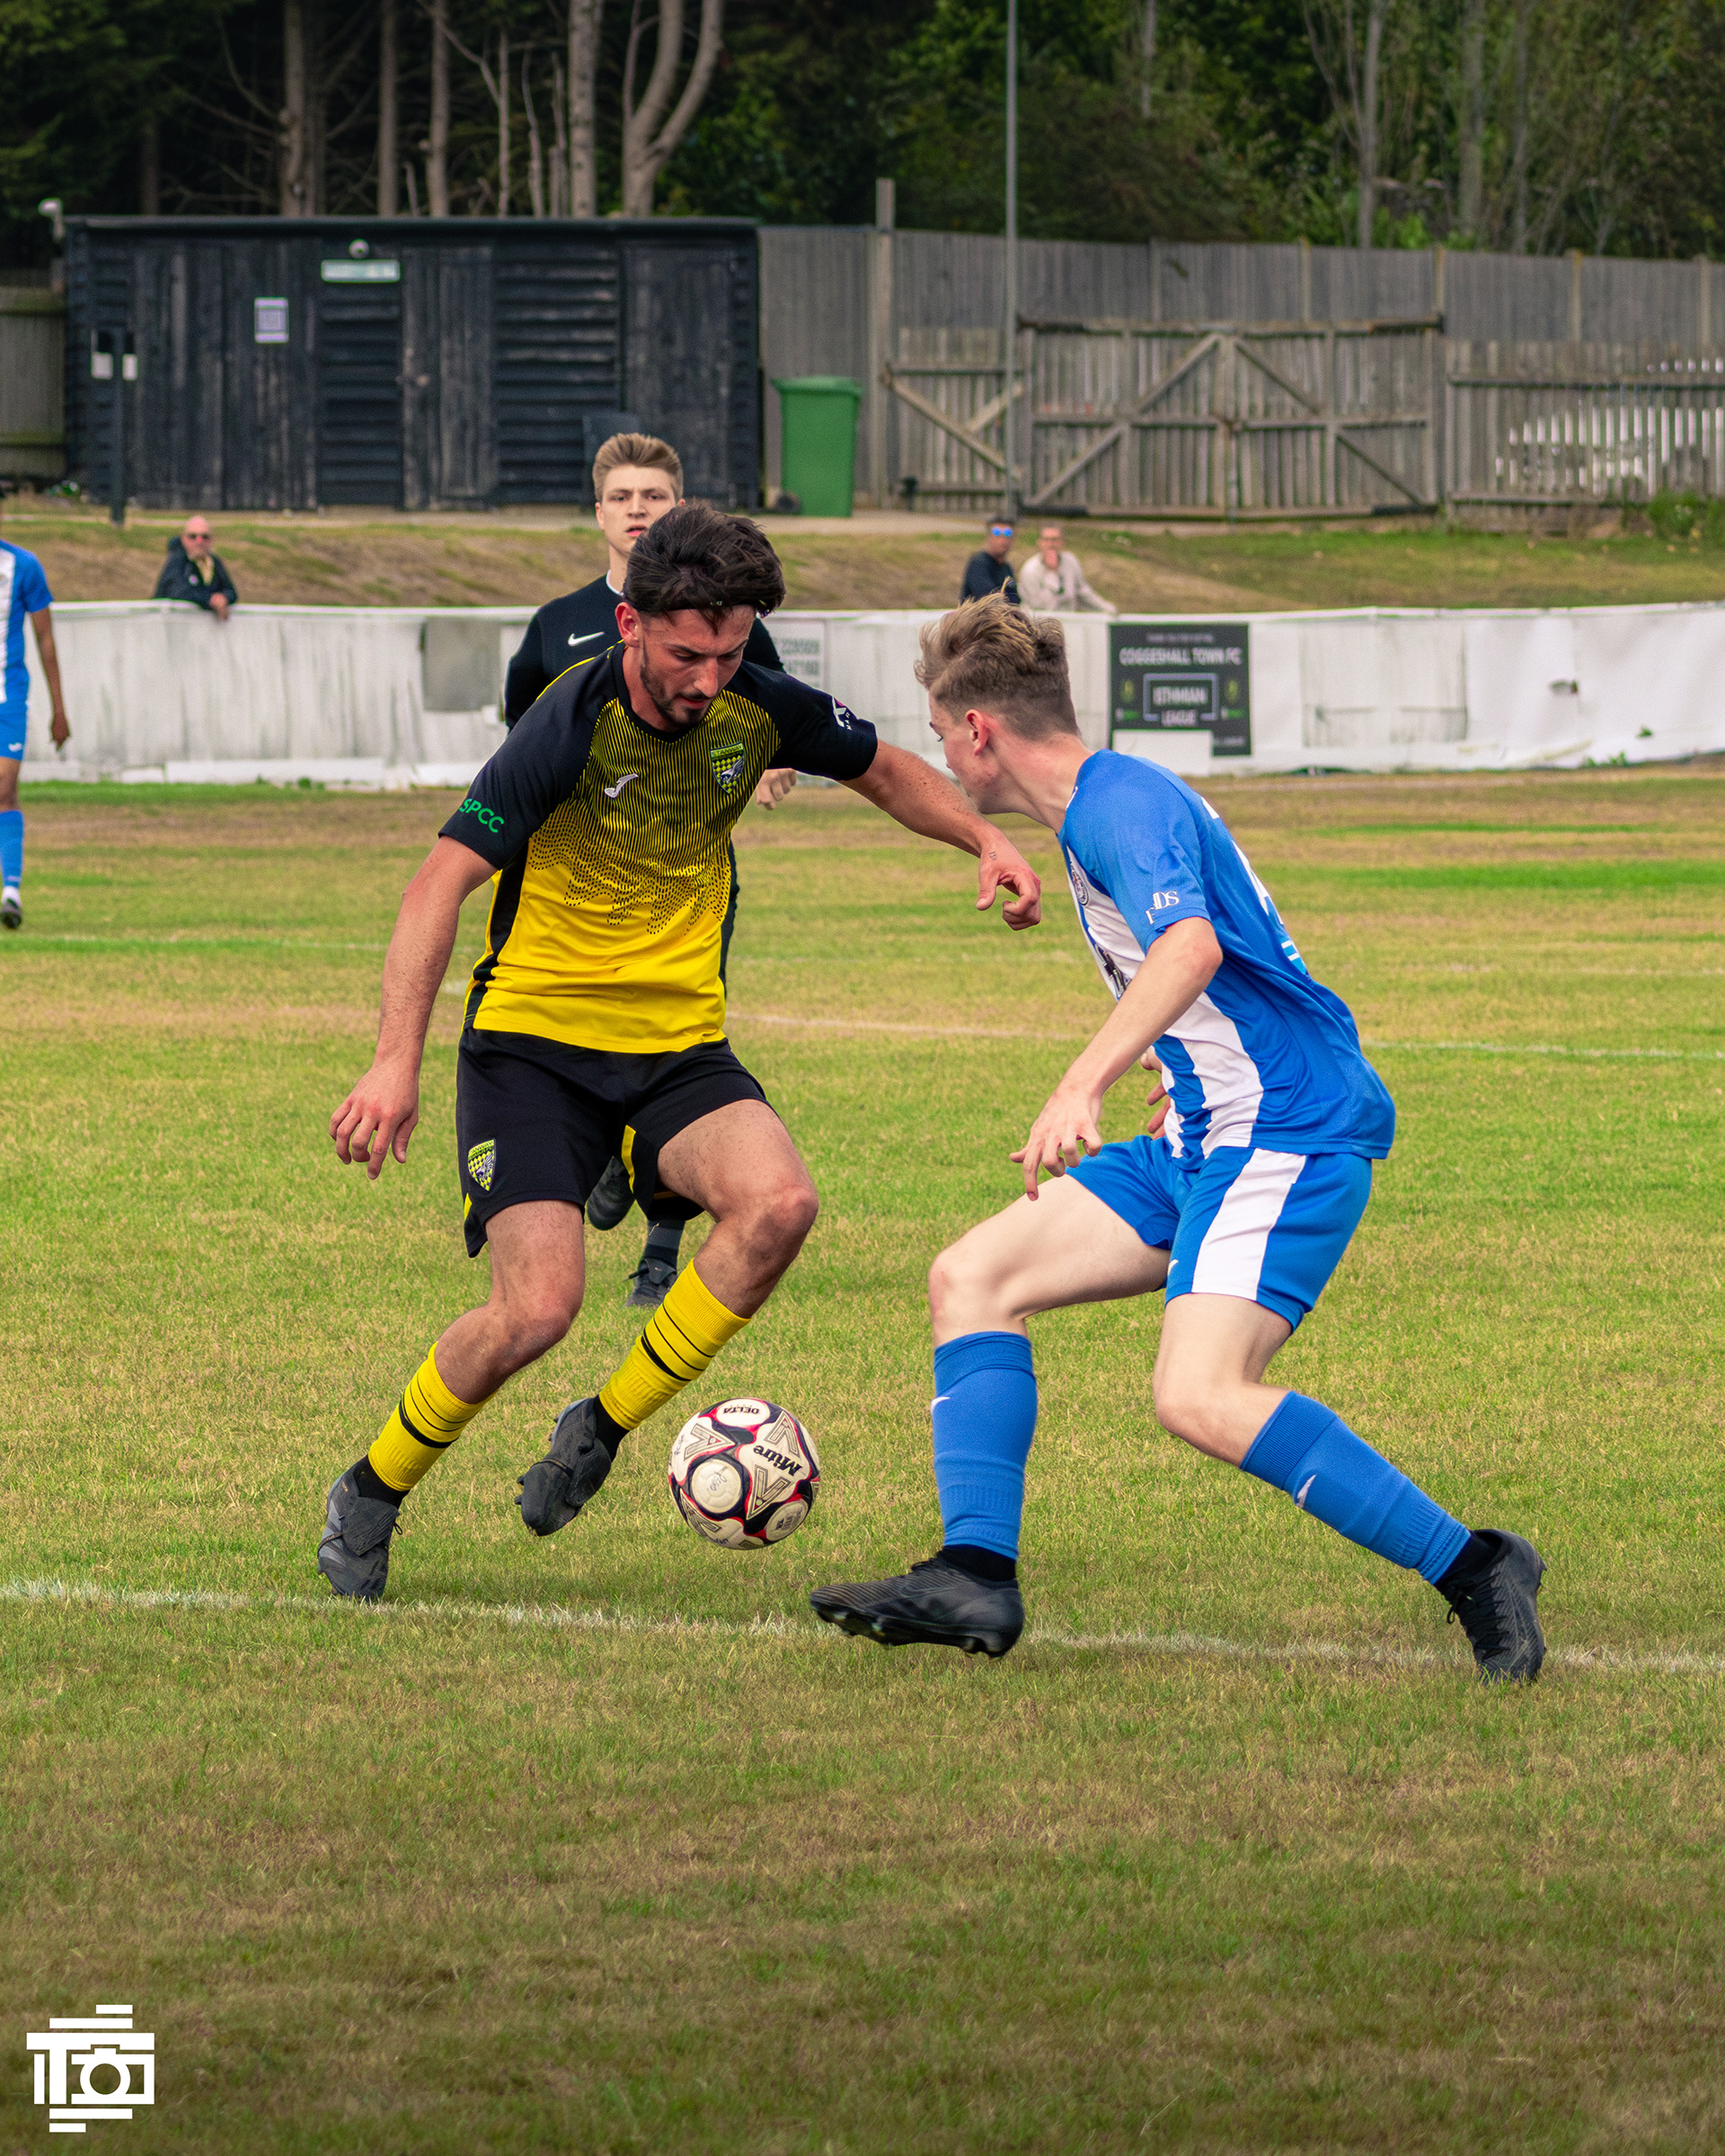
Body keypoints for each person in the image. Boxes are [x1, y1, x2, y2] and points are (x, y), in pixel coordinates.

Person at [811, 596, 1546, 1683]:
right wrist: (1178, 1060)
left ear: (976, 729)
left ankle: (1476, 1566)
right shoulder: (1099, 808)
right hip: (1207, 1133)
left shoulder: (1119, 805)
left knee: (1200, 1395)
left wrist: (1082, 1082)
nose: (945, 758)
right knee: (971, 1278)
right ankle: (975, 1574)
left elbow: (1191, 946)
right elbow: (1219, 961)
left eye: (938, 733)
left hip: (1285, 1131)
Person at [317, 505, 1042, 1604]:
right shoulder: (569, 723)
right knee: (537, 1310)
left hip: (676, 1046)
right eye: (687, 654)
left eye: (731, 653)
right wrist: (391, 1062)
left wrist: (985, 837)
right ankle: (374, 1486)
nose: (709, 679)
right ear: (632, 624)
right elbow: (437, 883)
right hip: (534, 1049)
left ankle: (600, 1428)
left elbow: (886, 768)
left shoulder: (758, 703)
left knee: (780, 1206)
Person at [505, 429, 794, 1311]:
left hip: (684, 888)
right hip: (578, 896)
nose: (638, 510)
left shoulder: (729, 627)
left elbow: (777, 715)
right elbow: (519, 745)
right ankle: (605, 1148)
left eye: (655, 497)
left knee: (679, 1051)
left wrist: (774, 765)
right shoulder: (556, 627)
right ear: (598, 512)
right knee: (584, 1045)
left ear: (679, 508)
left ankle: (661, 1251)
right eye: (623, 497)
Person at [0, 538, 71, 932]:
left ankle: (11, 891)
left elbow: (46, 639)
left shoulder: (24, 566)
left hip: (7, 698)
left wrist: (59, 709)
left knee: (4, 788)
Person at [1017, 523, 1116, 615]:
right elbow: (1043, 608)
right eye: (1046, 540)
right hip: (1039, 622)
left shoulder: (1071, 561)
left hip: (1068, 619)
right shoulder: (1030, 570)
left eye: (1054, 540)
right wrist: (1052, 572)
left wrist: (1108, 610)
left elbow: (1083, 593)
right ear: (1039, 543)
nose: (1051, 544)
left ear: (1062, 543)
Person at [153, 517, 237, 620]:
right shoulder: (177, 560)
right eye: (193, 536)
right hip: (170, 623)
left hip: (200, 627)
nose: (199, 541)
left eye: (205, 537)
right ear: (183, 538)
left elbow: (230, 591)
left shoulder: (214, 563)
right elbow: (176, 591)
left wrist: (224, 598)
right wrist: (210, 599)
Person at [960, 519, 1021, 606]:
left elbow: (1015, 599)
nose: (1002, 540)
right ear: (988, 537)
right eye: (997, 534)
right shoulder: (979, 564)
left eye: (1008, 534)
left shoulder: (1006, 567)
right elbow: (988, 597)